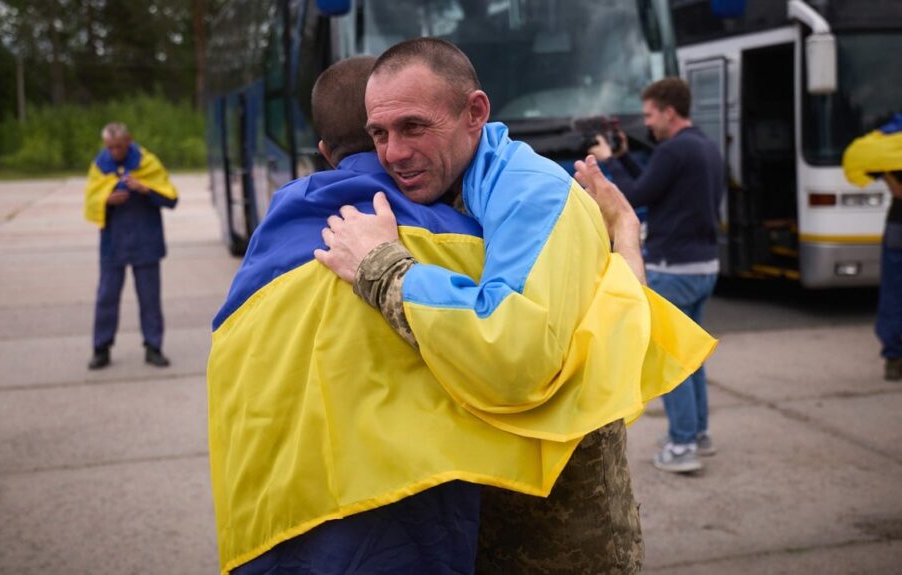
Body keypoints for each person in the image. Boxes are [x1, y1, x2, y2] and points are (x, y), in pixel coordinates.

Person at [208, 52, 711, 574]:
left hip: (557, 539)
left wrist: (383, 267)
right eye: (378, 133)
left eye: (413, 127)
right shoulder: (456, 192)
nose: (394, 154)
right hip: (497, 524)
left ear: (475, 112)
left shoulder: (532, 195)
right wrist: (625, 238)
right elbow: (610, 308)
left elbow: (514, 356)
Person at [589, 77, 725, 474]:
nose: (647, 123)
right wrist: (627, 158)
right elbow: (656, 186)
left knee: (671, 359)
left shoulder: (672, 151)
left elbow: (635, 195)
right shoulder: (703, 146)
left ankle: (682, 446)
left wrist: (608, 161)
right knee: (691, 355)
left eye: (650, 115)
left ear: (668, 111)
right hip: (705, 266)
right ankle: (698, 433)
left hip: (673, 267)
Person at [84, 123, 178, 369]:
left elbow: (171, 199)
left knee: (150, 299)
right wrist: (107, 200)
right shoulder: (99, 166)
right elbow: (91, 201)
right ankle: (101, 348)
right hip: (113, 245)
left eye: (119, 146)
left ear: (129, 141)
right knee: (106, 297)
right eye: (110, 147)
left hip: (145, 242)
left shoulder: (148, 163)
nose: (114, 151)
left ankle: (153, 346)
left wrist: (145, 189)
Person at [842, 113, 902, 381]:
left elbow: (898, 193)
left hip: (897, 225)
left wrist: (889, 175)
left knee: (895, 291)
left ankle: (894, 358)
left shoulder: (886, 144)